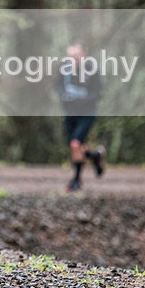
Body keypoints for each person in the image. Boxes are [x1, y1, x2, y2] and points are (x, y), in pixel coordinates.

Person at [56, 42, 105, 191]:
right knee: (77, 145)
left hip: (86, 113)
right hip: (70, 113)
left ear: (84, 53)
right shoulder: (65, 70)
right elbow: (57, 87)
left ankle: (76, 180)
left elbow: (98, 93)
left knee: (76, 144)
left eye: (76, 56)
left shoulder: (92, 70)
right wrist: (64, 96)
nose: (73, 59)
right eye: (70, 56)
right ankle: (95, 156)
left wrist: (82, 98)